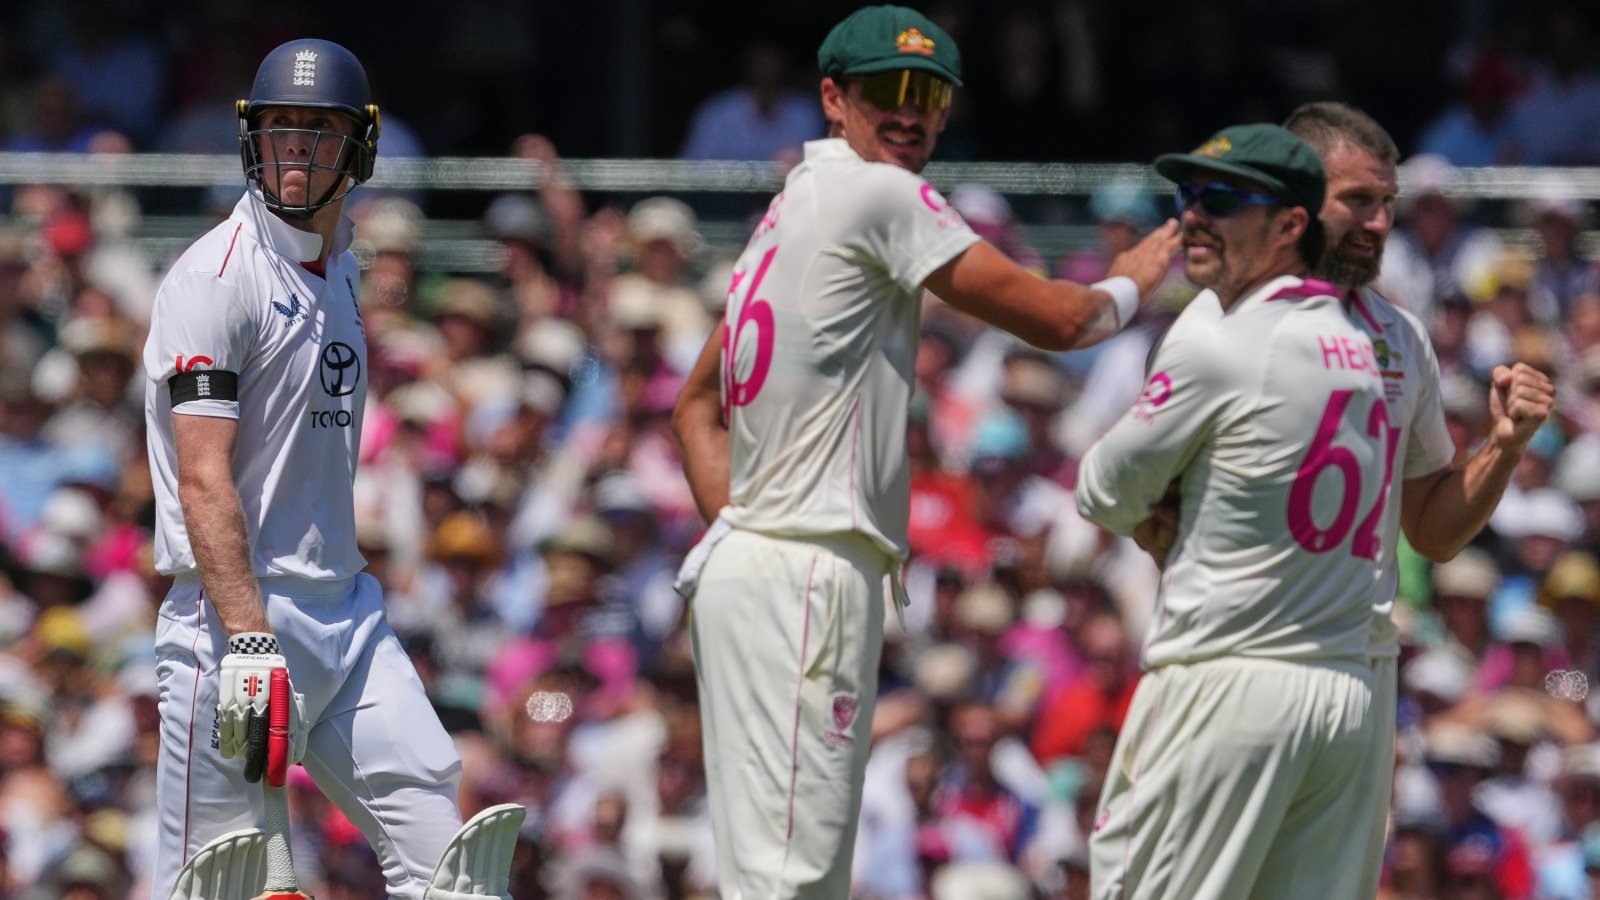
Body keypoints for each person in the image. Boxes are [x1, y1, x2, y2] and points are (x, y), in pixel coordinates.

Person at [669, 6, 1179, 897]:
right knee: (793, 882)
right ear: (834, 98)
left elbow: (693, 410)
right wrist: (1136, 277)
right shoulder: (879, 193)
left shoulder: (789, 210)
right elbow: (1063, 321)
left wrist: (745, 534)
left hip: (757, 566)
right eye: (888, 91)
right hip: (806, 570)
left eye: (930, 95)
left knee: (772, 874)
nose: (910, 112)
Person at [142, 39, 520, 899]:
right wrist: (248, 639)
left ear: (363, 146)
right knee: (220, 886)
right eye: (281, 128)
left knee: (457, 867)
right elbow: (202, 478)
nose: (297, 149)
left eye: (320, 131)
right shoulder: (213, 280)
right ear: (252, 137)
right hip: (230, 622)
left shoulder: (343, 266)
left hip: (347, 615)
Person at [1074, 123, 1397, 898]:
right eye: (1187, 196)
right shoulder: (1365, 347)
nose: (1192, 216)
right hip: (1344, 694)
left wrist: (1165, 511)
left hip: (1227, 682)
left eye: (1221, 200)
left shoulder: (1219, 337)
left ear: (1291, 226)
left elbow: (1101, 489)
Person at [1280, 100, 1557, 897]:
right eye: (1356, 200)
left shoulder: (1401, 338)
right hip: (1247, 657)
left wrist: (1503, 446)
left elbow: (1432, 532)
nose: (1378, 222)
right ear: (1299, 199)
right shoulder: (1224, 322)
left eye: (1387, 202)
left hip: (1362, 671)